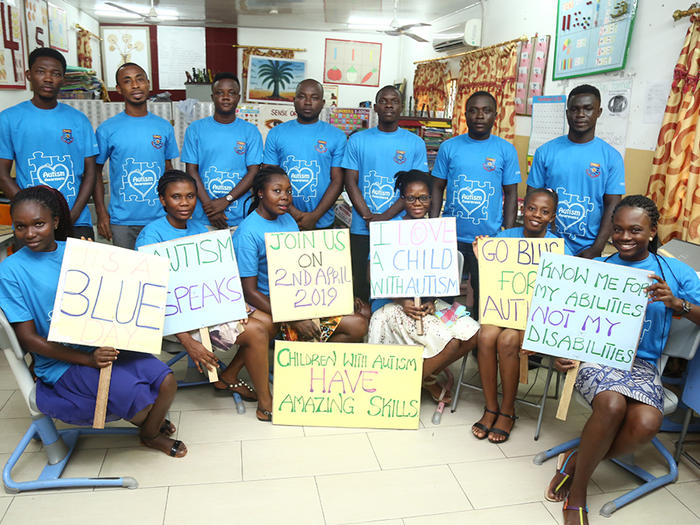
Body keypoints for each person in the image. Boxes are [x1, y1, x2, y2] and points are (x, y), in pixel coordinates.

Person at [544, 195, 700, 525]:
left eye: (635, 230)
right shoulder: (598, 270)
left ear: (653, 230)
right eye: (618, 230)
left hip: (642, 365)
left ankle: (575, 461)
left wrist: (677, 305)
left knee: (647, 424)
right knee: (613, 406)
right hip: (597, 358)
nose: (625, 237)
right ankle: (579, 493)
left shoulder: (674, 272)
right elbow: (566, 320)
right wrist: (560, 351)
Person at [0, 185, 186, 457]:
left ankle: (148, 432)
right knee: (137, 400)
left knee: (167, 381)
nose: (29, 233)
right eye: (20, 227)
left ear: (55, 221)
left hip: (102, 343)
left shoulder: (78, 251)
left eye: (38, 224)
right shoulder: (10, 271)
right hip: (62, 361)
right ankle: (150, 429)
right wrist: (88, 359)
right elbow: (28, 339)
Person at [134, 170, 273, 421]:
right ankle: (266, 403)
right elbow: (153, 299)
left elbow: (219, 277)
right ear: (163, 200)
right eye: (176, 197)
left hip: (211, 307)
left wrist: (235, 306)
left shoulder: (202, 228)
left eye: (190, 196)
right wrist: (188, 342)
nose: (185, 202)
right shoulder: (151, 236)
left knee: (270, 322)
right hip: (176, 319)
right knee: (257, 331)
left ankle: (228, 376)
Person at [368, 170, 479, 403]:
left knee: (474, 332)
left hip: (430, 303)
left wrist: (430, 301)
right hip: (392, 303)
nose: (418, 203)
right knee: (451, 343)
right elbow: (371, 275)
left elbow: (440, 275)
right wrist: (402, 301)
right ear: (402, 199)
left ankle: (421, 378)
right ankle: (420, 383)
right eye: (411, 198)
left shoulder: (438, 231)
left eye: (424, 198)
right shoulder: (388, 230)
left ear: (432, 200)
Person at [470, 188, 571, 443]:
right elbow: (494, 280)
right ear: (523, 209)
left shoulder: (559, 249)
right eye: (532, 208)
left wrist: (535, 328)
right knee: (486, 334)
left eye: (545, 211)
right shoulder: (505, 237)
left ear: (553, 217)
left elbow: (561, 298)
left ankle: (507, 409)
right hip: (503, 310)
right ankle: (490, 406)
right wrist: (481, 255)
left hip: (533, 320)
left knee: (507, 341)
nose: (536, 215)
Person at [233, 166, 368, 343]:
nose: (285, 197)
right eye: (277, 191)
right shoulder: (247, 233)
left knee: (363, 313)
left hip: (303, 299)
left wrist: (341, 295)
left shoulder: (288, 219)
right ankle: (303, 362)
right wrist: (293, 319)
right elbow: (249, 292)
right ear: (260, 193)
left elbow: (303, 267)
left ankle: (309, 363)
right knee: (356, 324)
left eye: (289, 191)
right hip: (273, 308)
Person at [430, 90, 520, 319]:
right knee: (443, 297)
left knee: (485, 296)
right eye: (474, 110)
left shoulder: (506, 150)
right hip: (451, 236)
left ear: (495, 116)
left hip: (488, 239)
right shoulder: (449, 147)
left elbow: (511, 194)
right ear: (465, 115)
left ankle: (480, 343)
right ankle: (444, 339)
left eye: (486, 111)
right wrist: (433, 226)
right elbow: (437, 187)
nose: (480, 116)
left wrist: (507, 235)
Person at [0, 47, 97, 240]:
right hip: (31, 225)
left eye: (55, 74)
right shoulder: (9, 119)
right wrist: (29, 210)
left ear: (63, 79)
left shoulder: (79, 120)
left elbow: (91, 172)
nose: (48, 78)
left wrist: (73, 215)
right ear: (29, 75)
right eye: (40, 72)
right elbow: (2, 174)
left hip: (76, 222)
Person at [342, 85, 428, 302]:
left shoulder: (415, 143)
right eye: (384, 101)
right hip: (363, 227)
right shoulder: (357, 140)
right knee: (361, 285)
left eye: (394, 101)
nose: (389, 105)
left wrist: (383, 218)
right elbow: (350, 181)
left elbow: (416, 187)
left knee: (393, 284)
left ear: (401, 107)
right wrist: (368, 217)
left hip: (400, 226)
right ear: (375, 107)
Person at [527, 84, 625, 258]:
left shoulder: (612, 157)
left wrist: (597, 247)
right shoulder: (545, 152)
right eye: (574, 109)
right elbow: (532, 197)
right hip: (546, 242)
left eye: (588, 109)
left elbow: (613, 205)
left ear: (599, 112)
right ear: (567, 113)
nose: (580, 115)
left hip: (588, 247)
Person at [93, 63, 179, 249]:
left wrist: (173, 210)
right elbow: (95, 174)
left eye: (140, 79)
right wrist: (101, 214)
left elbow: (168, 170)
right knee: (125, 275)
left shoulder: (163, 127)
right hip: (122, 221)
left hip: (160, 219)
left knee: (161, 275)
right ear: (119, 89)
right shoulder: (107, 129)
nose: (135, 85)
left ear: (148, 83)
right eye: (127, 81)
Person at [181, 72, 262, 230]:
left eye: (231, 93)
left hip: (239, 218)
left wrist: (226, 200)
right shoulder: (195, 129)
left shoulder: (250, 131)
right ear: (212, 97)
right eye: (220, 93)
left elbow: (254, 172)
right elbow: (191, 170)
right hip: (203, 218)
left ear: (238, 98)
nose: (226, 97)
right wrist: (210, 208)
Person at [263, 79, 346, 230]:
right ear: (294, 101)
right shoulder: (276, 133)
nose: (308, 102)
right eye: (302, 97)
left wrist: (314, 216)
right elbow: (268, 178)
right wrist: (293, 212)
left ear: (322, 102)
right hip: (281, 221)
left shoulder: (337, 136)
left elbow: (338, 181)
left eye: (314, 98)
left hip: (322, 222)